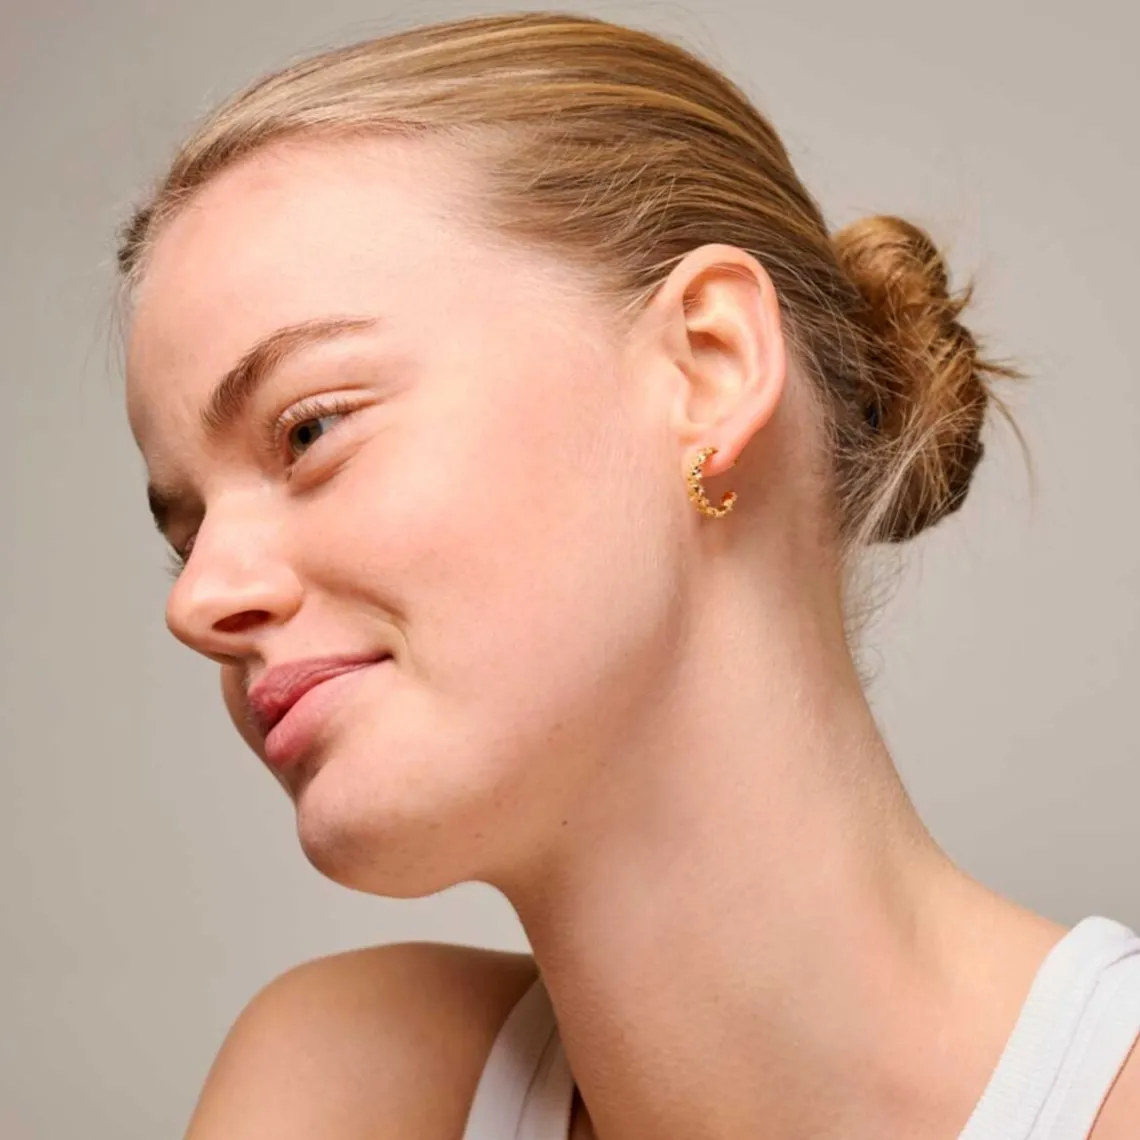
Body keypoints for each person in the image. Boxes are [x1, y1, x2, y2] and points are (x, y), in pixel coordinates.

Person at [115, 11, 1140, 1140]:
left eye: (309, 429)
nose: (196, 602)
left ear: (709, 366)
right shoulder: (341, 1091)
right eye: (187, 531)